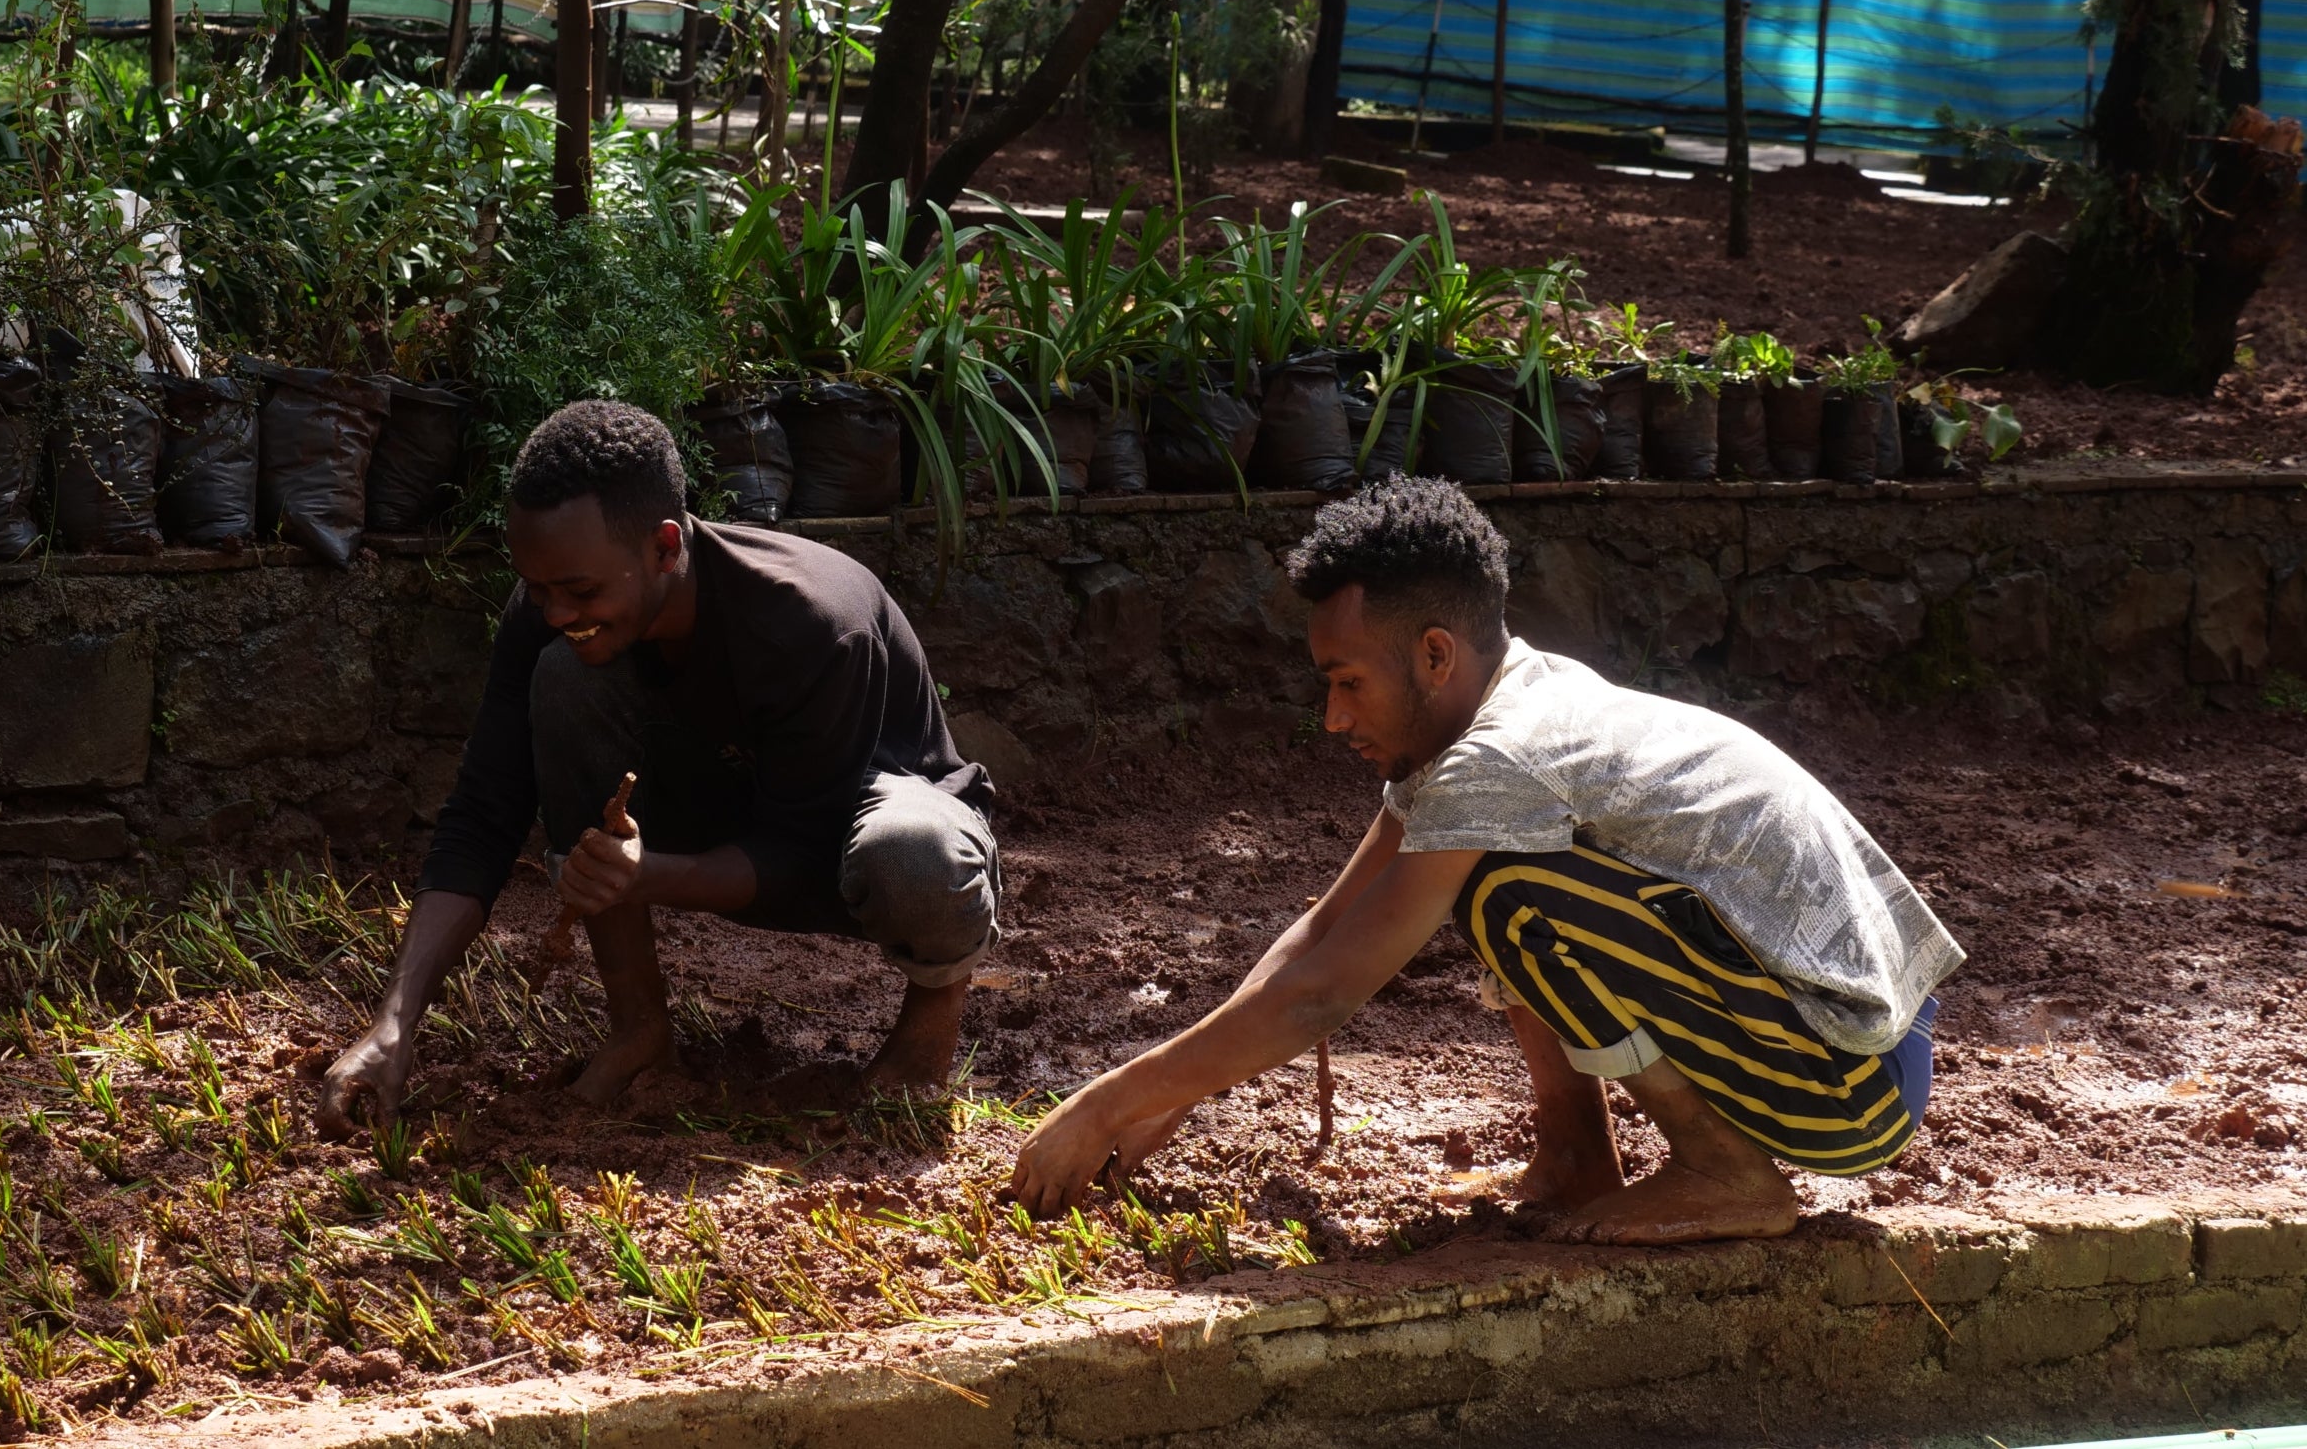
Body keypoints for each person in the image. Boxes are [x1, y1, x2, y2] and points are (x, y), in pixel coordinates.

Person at [1008, 477, 1961, 1244]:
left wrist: (1101, 1106)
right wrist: (1171, 1100)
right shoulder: (1508, 715)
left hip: (1854, 1078)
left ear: (1434, 655)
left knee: (1509, 893)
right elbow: (1322, 931)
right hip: (1844, 1048)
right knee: (1494, 883)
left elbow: (1322, 995)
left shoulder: (1499, 758)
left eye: (1348, 682)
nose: (1334, 718)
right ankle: (1577, 1157)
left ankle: (1725, 1173)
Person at [317, 400, 1000, 1134]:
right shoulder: (553, 611)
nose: (553, 610)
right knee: (564, 676)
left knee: (914, 855)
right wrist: (393, 1022)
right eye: (538, 587)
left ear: (665, 547)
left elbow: (802, 850)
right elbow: (482, 816)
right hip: (730, 804)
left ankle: (927, 1034)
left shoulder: (810, 621)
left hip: (855, 824)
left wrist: (645, 874)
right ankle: (639, 1029)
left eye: (579, 590)